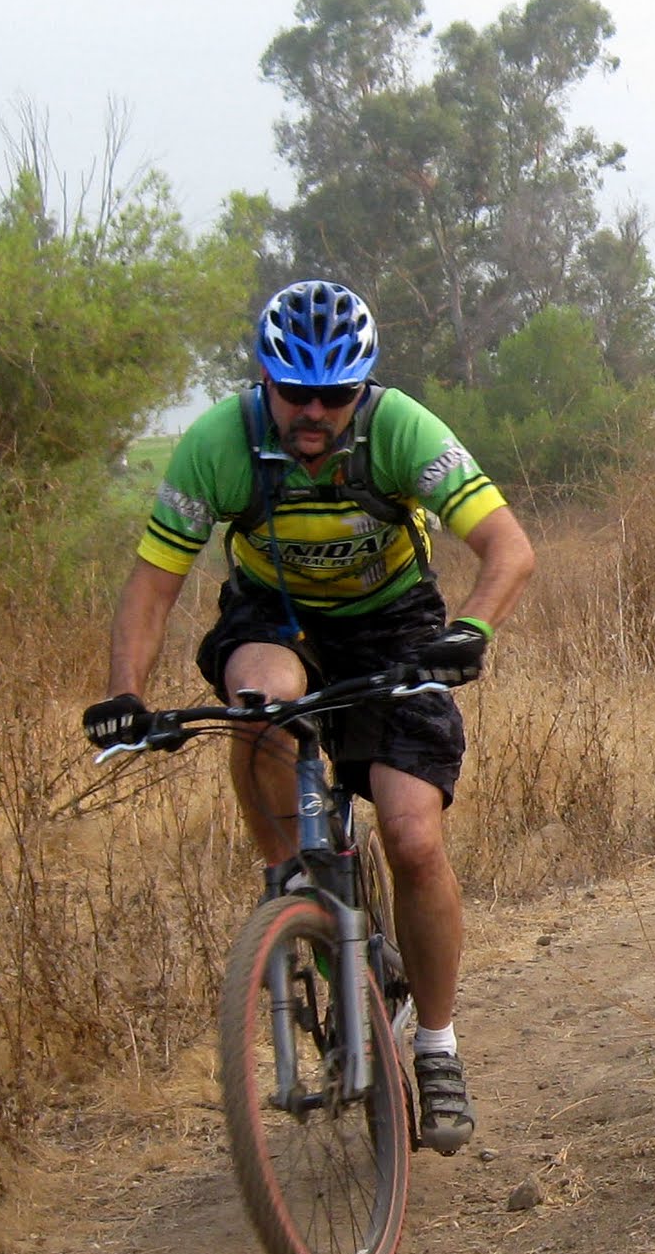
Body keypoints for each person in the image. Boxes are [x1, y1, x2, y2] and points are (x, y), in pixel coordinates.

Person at [82, 279, 535, 1155]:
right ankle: (299, 891)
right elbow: (154, 583)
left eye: (336, 395)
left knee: (411, 838)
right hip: (276, 616)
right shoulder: (221, 442)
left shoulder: (401, 428)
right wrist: (125, 694)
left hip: (394, 625)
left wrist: (467, 631)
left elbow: (508, 548)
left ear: (362, 387)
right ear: (266, 381)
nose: (315, 413)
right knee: (258, 703)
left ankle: (436, 1045)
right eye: (296, 394)